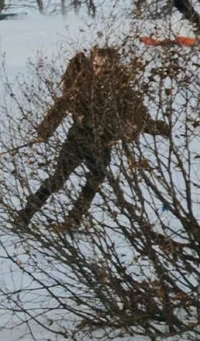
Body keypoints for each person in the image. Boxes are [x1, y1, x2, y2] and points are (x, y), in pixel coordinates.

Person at [12, 45, 169, 230]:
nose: (100, 70)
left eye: (105, 67)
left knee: (94, 181)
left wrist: (161, 129)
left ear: (115, 67)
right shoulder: (83, 84)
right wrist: (44, 132)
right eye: (96, 66)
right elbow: (62, 105)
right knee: (57, 179)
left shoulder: (123, 91)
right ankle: (25, 215)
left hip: (102, 144)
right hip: (76, 140)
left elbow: (139, 117)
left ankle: (73, 220)